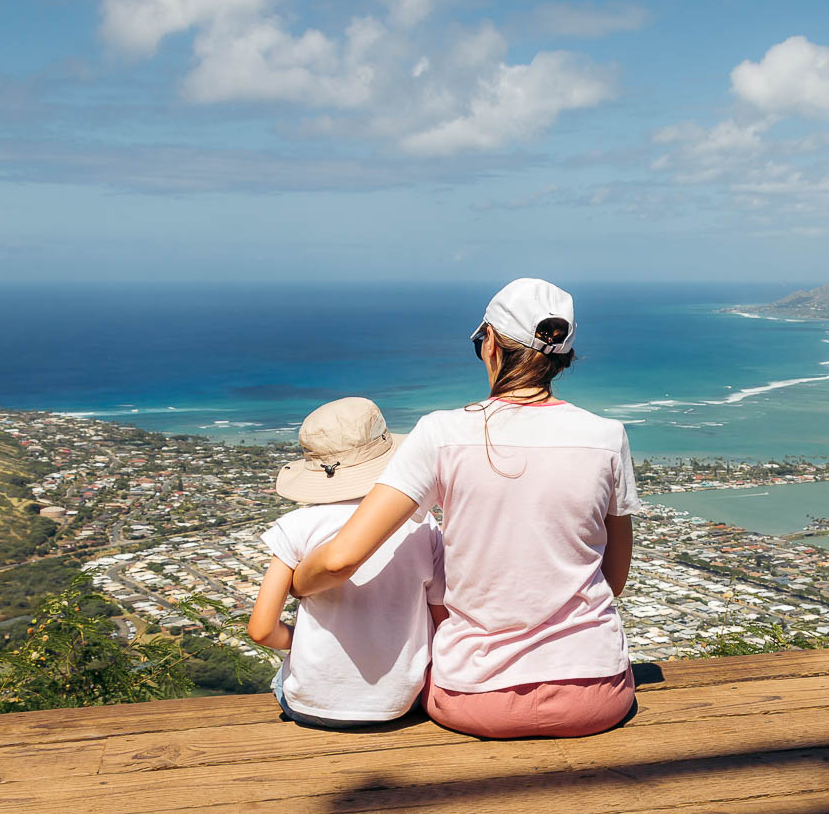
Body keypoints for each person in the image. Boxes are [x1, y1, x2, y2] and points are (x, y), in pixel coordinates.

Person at [292, 278, 640, 738]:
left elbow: (341, 558)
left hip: (473, 697)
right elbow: (613, 578)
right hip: (598, 692)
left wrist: (297, 584)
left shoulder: (441, 433)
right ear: (563, 358)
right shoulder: (607, 437)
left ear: (490, 343)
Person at [247, 397, 445, 729]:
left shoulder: (295, 527)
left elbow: (261, 629)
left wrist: (300, 641)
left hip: (308, 705)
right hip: (402, 703)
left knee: (282, 680)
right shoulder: (421, 527)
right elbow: (441, 619)